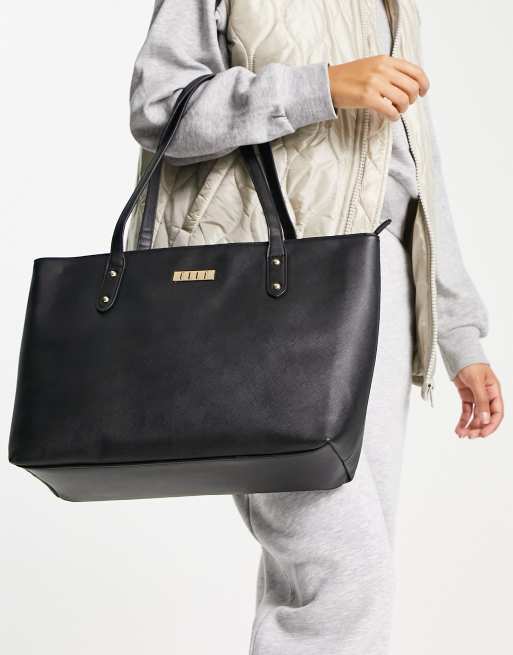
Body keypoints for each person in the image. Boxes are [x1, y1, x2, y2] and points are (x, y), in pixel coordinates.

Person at [128, 1, 504, 652]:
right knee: (345, 571)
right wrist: (320, 86)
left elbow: (418, 165)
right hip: (262, 290)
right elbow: (159, 108)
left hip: (379, 286)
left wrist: (456, 329)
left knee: (338, 573)